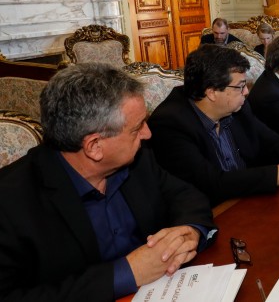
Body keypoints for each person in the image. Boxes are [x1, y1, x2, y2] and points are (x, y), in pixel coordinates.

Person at [0, 63, 216, 301]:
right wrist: (125, 274)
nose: (147, 134)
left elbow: (187, 196)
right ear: (94, 146)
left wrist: (188, 233)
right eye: (136, 128)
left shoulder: (138, 160)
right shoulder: (10, 203)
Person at [148, 45, 279, 206]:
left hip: (248, 200)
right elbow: (214, 184)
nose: (246, 92)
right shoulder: (169, 125)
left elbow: (270, 141)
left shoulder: (236, 106)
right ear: (212, 92)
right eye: (240, 86)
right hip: (212, 214)